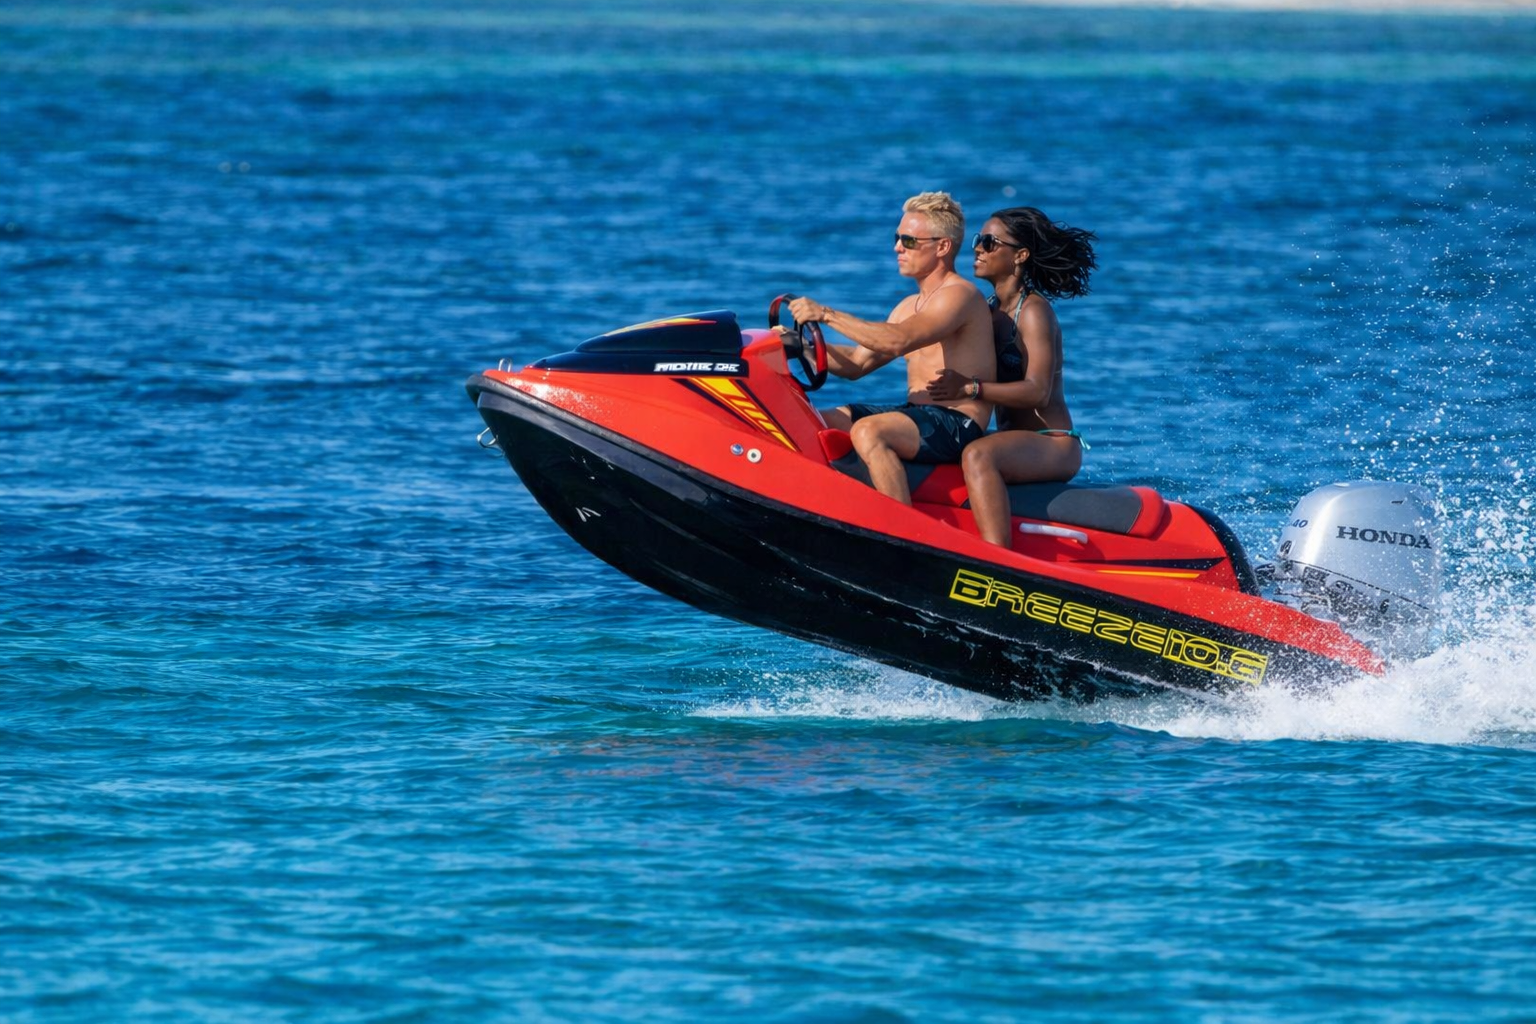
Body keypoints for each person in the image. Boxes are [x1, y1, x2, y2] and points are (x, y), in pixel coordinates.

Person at [785, 192, 995, 506]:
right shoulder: (907, 306)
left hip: (958, 423)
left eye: (909, 241)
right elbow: (857, 363)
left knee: (869, 431)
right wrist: (801, 347)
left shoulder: (959, 296)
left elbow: (897, 340)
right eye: (897, 238)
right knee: (816, 419)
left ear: (942, 247)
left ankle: (901, 526)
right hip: (917, 414)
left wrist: (826, 314)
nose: (898, 247)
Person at [925, 206, 1097, 548]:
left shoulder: (1033, 312)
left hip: (1052, 442)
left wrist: (970, 388)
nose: (977, 248)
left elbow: (1038, 391)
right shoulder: (987, 311)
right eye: (978, 240)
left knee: (979, 455)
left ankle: (996, 557)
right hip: (1014, 439)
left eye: (989, 242)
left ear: (1020, 255)